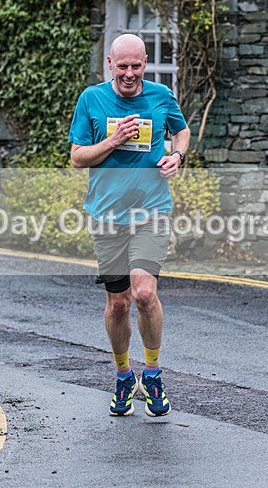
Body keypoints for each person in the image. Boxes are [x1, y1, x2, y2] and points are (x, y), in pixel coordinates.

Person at [69, 34, 190, 417]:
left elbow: (181, 130)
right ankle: (124, 376)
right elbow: (77, 157)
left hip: (151, 210)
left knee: (142, 293)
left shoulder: (160, 96)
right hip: (107, 216)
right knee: (118, 304)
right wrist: (113, 140)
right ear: (110, 63)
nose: (129, 73)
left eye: (136, 65)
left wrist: (178, 156)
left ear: (145, 62)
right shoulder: (92, 99)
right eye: (122, 66)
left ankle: (152, 374)